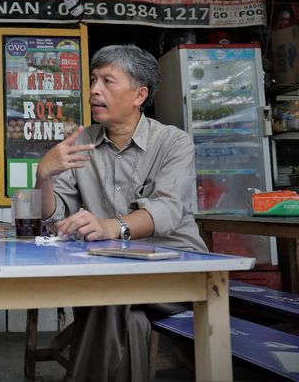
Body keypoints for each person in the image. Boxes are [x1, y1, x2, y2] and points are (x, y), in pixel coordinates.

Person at [35, 44, 207, 382]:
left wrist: (109, 226)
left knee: (109, 293)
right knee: (129, 317)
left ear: (139, 94)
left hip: (177, 272)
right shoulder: (82, 141)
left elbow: (168, 210)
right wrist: (44, 176)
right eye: (93, 80)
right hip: (113, 274)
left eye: (107, 81)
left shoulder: (174, 142)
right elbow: (53, 215)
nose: (94, 91)